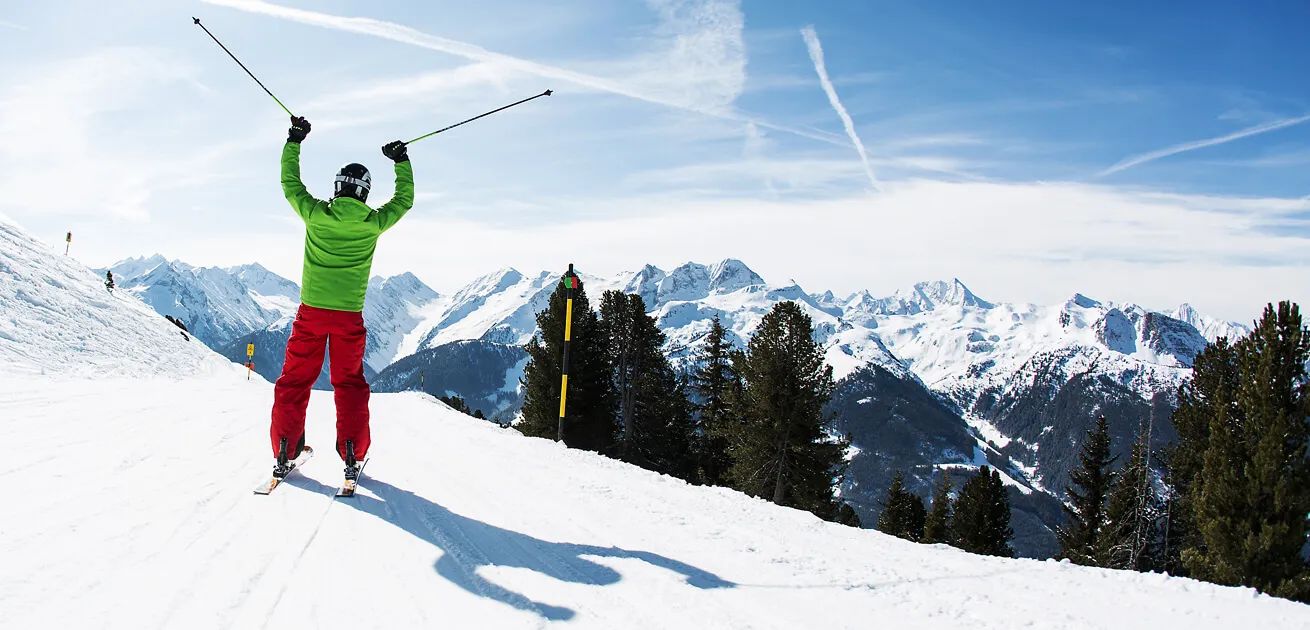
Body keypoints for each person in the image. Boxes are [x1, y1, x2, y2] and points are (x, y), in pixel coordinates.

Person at [269, 115, 414, 479]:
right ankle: (352, 453)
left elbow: (290, 183)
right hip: (349, 316)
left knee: (294, 380)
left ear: (337, 187)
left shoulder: (316, 214)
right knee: (348, 384)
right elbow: (404, 201)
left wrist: (294, 140)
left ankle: (285, 450)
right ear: (364, 193)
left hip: (311, 313)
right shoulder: (372, 223)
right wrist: (401, 160)